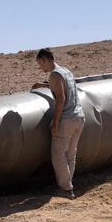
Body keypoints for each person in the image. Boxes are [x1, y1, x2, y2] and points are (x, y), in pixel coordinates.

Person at [32, 48, 85, 199]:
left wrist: (55, 122)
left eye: (40, 64)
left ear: (44, 59)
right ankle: (68, 185)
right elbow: (64, 88)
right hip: (79, 117)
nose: (40, 68)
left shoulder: (54, 74)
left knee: (57, 154)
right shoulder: (66, 72)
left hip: (66, 119)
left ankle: (66, 189)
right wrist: (43, 85)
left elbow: (61, 98)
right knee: (70, 154)